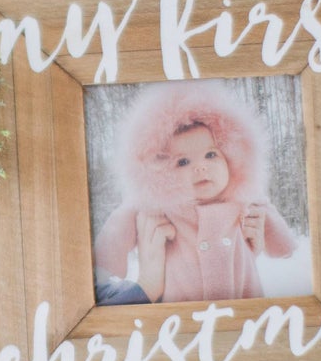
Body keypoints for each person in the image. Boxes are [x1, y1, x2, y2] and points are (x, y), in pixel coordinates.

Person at [93, 82, 299, 304]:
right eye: (183, 162)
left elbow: (282, 242)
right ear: (163, 174)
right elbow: (116, 230)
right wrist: (106, 264)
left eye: (211, 155)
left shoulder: (244, 199)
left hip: (245, 307)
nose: (200, 167)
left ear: (232, 158)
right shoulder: (159, 209)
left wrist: (281, 244)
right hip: (181, 312)